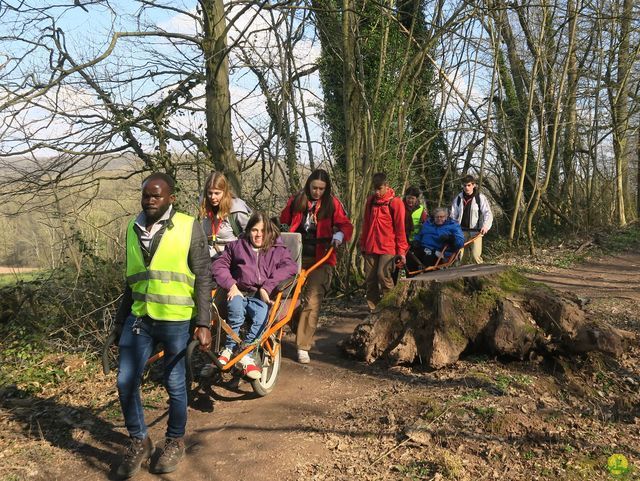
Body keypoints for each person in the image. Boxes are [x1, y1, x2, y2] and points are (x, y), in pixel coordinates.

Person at [113, 173, 211, 478]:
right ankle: (139, 440)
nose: (150, 200)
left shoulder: (187, 226)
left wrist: (204, 322)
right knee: (125, 380)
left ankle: (174, 441)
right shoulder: (132, 227)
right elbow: (132, 281)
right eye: (146, 195)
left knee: (175, 382)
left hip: (175, 318)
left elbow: (203, 275)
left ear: (171, 198)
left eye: (156, 196)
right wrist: (119, 322)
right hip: (140, 316)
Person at [211, 211, 298, 378]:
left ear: (270, 232)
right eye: (255, 230)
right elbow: (219, 265)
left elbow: (290, 267)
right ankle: (228, 349)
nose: (259, 235)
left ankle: (246, 353)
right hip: (239, 292)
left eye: (263, 231)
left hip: (260, 295)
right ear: (248, 230)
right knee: (235, 311)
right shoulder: (237, 246)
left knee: (261, 316)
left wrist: (267, 287)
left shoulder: (277, 250)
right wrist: (231, 285)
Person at [279, 169, 353, 364]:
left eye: (321, 189)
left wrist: (339, 235)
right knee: (285, 296)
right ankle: (287, 327)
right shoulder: (297, 200)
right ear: (308, 185)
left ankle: (303, 346)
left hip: (322, 258)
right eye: (314, 188)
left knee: (312, 301)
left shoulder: (333, 204)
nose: (317, 192)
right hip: (294, 257)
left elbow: (346, 226)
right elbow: (282, 221)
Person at [360, 172, 409, 311]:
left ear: (387, 186)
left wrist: (402, 252)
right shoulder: (370, 201)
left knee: (383, 275)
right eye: (374, 188)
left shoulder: (395, 202)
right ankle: (373, 310)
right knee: (370, 279)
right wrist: (363, 245)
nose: (377, 192)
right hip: (370, 246)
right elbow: (366, 225)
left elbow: (400, 228)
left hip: (388, 247)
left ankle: (390, 309)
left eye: (379, 188)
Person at [199, 171, 251, 258]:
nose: (212, 197)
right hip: (207, 259)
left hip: (230, 260)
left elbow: (252, 236)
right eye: (210, 193)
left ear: (225, 192)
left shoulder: (237, 210)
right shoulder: (205, 206)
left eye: (217, 193)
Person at [449, 174, 493, 264]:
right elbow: (453, 216)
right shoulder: (458, 198)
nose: (467, 188)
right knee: (461, 258)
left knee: (475, 257)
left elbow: (487, 213)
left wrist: (485, 226)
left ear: (473, 185)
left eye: (469, 185)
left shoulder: (480, 198)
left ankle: (481, 276)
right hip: (461, 232)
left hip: (476, 232)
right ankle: (461, 277)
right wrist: (453, 229)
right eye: (464, 185)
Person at [402, 186, 428, 275]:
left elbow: (425, 226)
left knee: (412, 265)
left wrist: (419, 239)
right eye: (408, 198)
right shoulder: (400, 207)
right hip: (402, 239)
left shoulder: (421, 210)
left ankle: (412, 283)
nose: (410, 200)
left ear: (416, 199)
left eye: (412, 198)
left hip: (415, 241)